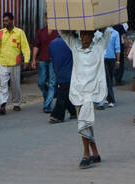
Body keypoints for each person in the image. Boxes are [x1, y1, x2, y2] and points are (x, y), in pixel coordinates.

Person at [61, 29, 108, 167]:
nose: (84, 37)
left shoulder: (99, 47)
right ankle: (95, 153)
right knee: (87, 122)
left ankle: (85, 154)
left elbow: (108, 31)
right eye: (82, 34)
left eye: (87, 34)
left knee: (83, 122)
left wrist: (97, 23)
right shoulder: (75, 46)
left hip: (91, 92)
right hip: (78, 92)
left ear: (93, 35)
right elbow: (63, 33)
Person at [0, 12, 31, 115]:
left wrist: (26, 60)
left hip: (15, 62)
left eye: (6, 21)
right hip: (3, 62)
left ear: (11, 20)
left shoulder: (19, 32)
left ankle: (16, 103)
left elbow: (25, 47)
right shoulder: (0, 33)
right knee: (3, 85)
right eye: (3, 21)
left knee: (15, 85)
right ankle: (3, 104)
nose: (4, 23)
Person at [47, 32, 77, 123]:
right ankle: (57, 115)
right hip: (69, 71)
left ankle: (73, 112)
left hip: (58, 70)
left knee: (65, 91)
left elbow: (51, 58)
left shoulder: (52, 43)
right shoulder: (70, 43)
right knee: (63, 94)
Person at [31, 22, 58, 114]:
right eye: (47, 18)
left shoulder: (58, 31)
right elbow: (36, 45)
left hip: (54, 60)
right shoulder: (41, 32)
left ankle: (47, 105)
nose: (49, 20)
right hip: (43, 59)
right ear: (46, 20)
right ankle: (49, 96)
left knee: (52, 83)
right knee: (41, 82)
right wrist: (33, 59)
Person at [103, 24, 121, 107]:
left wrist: (118, 61)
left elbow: (117, 47)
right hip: (105, 58)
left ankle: (109, 99)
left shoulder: (115, 33)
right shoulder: (100, 32)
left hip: (110, 58)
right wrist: (117, 60)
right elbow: (117, 48)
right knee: (106, 79)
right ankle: (109, 99)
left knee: (109, 78)